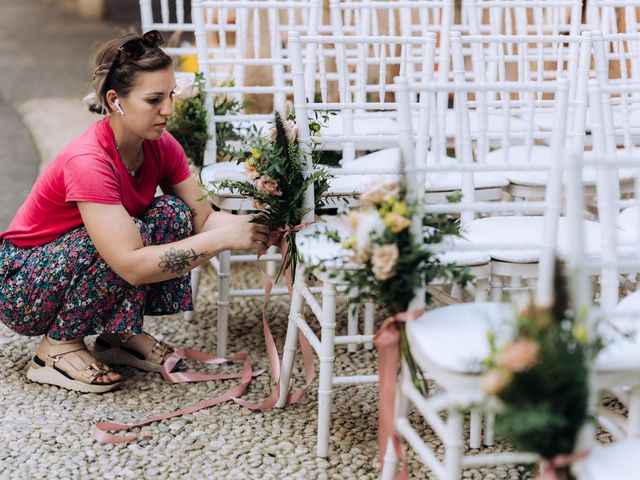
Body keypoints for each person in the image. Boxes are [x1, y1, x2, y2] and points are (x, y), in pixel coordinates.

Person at [0, 31, 269, 394]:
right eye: (154, 99)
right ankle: (55, 350)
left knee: (172, 213)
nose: (169, 110)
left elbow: (202, 218)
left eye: (171, 94)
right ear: (116, 101)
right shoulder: (88, 161)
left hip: (73, 264)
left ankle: (117, 336)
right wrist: (223, 240)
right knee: (109, 243)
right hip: (25, 287)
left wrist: (253, 226)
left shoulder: (160, 144)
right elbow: (129, 263)